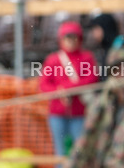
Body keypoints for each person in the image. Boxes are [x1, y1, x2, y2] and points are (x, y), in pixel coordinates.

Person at [39, 22, 100, 157]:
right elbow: (44, 85)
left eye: (74, 37)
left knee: (80, 151)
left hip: (79, 113)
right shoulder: (53, 60)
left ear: (79, 39)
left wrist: (66, 89)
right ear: (61, 40)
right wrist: (58, 92)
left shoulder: (87, 58)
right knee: (60, 151)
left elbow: (91, 79)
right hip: (57, 113)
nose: (71, 41)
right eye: (67, 38)